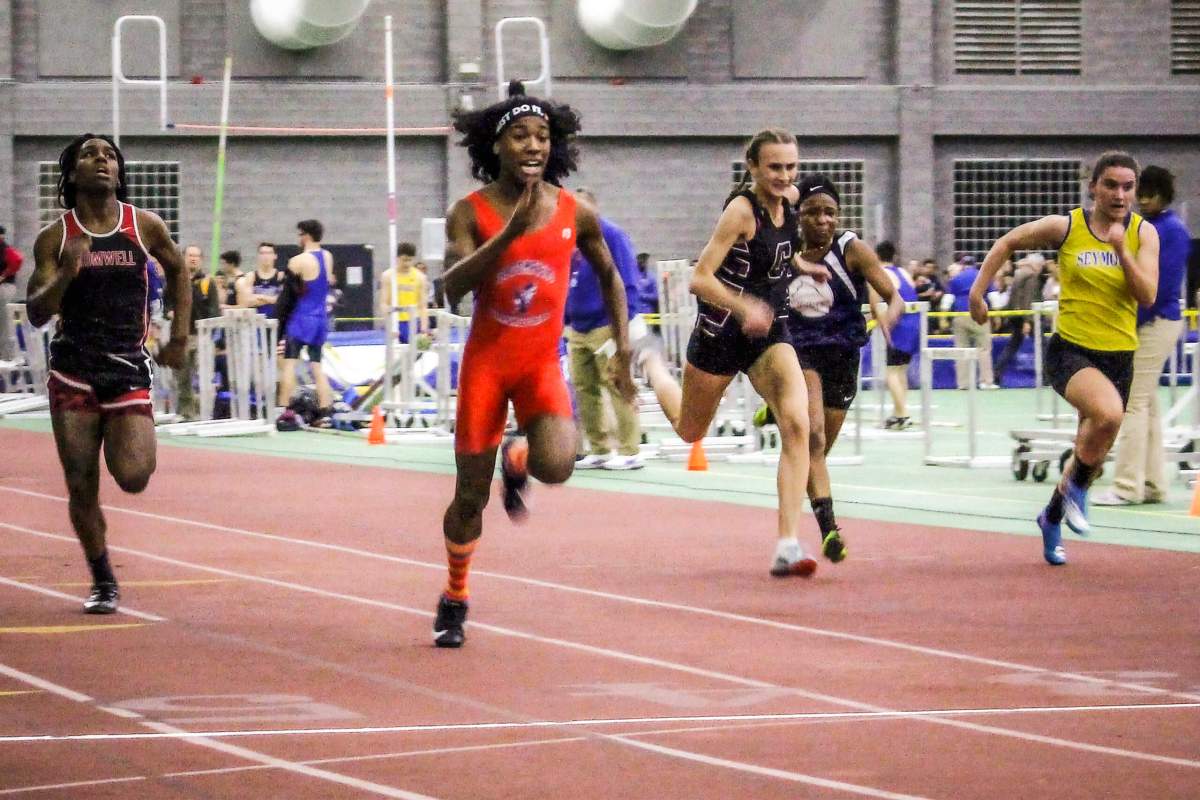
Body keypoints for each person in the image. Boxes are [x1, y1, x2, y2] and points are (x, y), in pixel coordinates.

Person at [433, 81, 636, 647]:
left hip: (540, 365)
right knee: (468, 497)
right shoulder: (468, 212)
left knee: (558, 467)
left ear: (556, 146)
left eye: (543, 137)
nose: (532, 146)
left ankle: (517, 454)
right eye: (520, 135)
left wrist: (621, 348)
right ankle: (455, 595)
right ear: (495, 146)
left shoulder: (576, 211)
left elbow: (611, 276)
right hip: (487, 368)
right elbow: (451, 288)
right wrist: (511, 234)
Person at [639, 128, 816, 577]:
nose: (783, 175)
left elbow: (777, 254)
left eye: (790, 167)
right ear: (753, 167)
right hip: (722, 333)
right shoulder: (740, 211)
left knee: (798, 424)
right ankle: (652, 364)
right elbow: (700, 278)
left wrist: (804, 266)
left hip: (769, 333)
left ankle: (788, 545)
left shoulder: (792, 202)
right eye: (774, 167)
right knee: (689, 430)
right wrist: (741, 306)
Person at [25, 133, 190, 613]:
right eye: (90, 154)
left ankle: (103, 567)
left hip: (127, 369)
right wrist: (65, 273)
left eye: (110, 155)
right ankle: (102, 578)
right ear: (72, 174)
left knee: (135, 475)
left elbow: (178, 270)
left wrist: (180, 336)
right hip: (74, 372)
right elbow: (37, 311)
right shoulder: (55, 237)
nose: (102, 160)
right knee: (80, 482)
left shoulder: (144, 225)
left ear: (119, 172)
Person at [970, 151, 1158, 565]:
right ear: (1094, 186)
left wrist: (1121, 251)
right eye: (1111, 185)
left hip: (1119, 355)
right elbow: (1007, 242)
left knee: (1091, 447)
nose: (1119, 194)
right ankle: (1075, 492)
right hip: (1072, 350)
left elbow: (1147, 295)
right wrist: (977, 291)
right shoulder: (1067, 226)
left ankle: (1051, 515)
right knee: (1107, 415)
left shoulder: (1144, 234)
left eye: (1128, 187)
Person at [784, 181, 901, 562]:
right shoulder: (785, 248)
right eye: (813, 212)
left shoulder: (851, 248)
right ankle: (830, 530)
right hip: (800, 352)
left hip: (843, 355)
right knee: (813, 436)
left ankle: (781, 414)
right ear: (798, 215)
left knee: (815, 452)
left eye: (830, 212)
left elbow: (893, 295)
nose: (823, 220)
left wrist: (888, 319)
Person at [1094, 165, 1190, 506]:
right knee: (1145, 405)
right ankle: (1152, 484)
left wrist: (1128, 322)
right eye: (1142, 192)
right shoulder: (1146, 226)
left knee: (1130, 404)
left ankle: (1125, 486)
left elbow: (1160, 287)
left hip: (1156, 320)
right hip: (1145, 321)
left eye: (1152, 193)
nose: (1145, 199)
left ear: (1164, 195)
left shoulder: (1171, 229)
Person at [566, 187, 645, 470]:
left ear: (592, 209)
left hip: (606, 325)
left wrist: (623, 328)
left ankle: (630, 449)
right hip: (577, 326)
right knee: (584, 388)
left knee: (617, 384)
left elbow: (627, 281)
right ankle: (599, 448)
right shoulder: (569, 238)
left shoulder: (611, 234)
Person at [277, 219, 335, 416]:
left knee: (289, 363)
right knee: (317, 366)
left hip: (301, 319)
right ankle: (325, 409)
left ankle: (284, 410)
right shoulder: (327, 257)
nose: (298, 239)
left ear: (306, 236)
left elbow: (287, 298)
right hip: (320, 319)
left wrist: (280, 326)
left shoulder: (297, 261)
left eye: (299, 235)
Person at [870, 241, 919, 429]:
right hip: (914, 323)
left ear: (876, 256)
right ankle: (899, 412)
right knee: (900, 370)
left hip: (900, 324)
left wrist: (881, 322)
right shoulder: (904, 272)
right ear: (894, 256)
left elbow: (875, 301)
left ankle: (903, 414)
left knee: (891, 371)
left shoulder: (881, 274)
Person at [169, 244, 219, 420]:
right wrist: (169, 312)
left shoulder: (207, 282)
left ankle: (205, 412)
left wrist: (214, 335)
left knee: (204, 374)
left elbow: (215, 310)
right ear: (184, 257)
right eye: (190, 255)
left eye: (197, 256)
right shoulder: (174, 279)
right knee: (182, 376)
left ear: (201, 260)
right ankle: (186, 412)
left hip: (202, 336)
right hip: (180, 336)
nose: (193, 258)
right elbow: (166, 303)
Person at [993, 253, 1044, 385]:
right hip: (1028, 317)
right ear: (1036, 265)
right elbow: (1028, 298)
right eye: (1041, 266)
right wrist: (1028, 321)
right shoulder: (1032, 277)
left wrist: (1005, 313)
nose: (1041, 269)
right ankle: (1046, 376)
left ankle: (997, 372)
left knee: (1013, 345)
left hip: (1016, 316)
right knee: (1043, 345)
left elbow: (1013, 298)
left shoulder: (1018, 276)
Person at [948, 255, 997, 389]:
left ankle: (963, 383)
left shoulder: (956, 278)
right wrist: (997, 316)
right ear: (975, 265)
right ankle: (986, 381)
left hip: (960, 315)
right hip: (979, 314)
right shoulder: (984, 276)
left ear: (962, 265)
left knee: (961, 349)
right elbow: (994, 298)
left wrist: (943, 318)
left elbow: (946, 301)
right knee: (984, 348)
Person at [377, 241, 428, 344]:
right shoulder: (388, 276)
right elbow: (383, 303)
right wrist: (389, 325)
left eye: (410, 260)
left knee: (418, 351)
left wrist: (424, 327)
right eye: (404, 260)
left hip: (414, 320)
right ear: (397, 258)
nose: (407, 264)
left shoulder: (420, 277)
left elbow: (423, 306)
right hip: (397, 321)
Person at [235, 241, 285, 318]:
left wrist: (258, 297)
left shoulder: (281, 276)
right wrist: (272, 299)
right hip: (256, 323)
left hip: (276, 321)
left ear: (275, 256)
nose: (266, 256)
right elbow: (246, 302)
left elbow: (282, 300)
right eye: (262, 253)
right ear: (258, 256)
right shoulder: (251, 276)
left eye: (269, 253)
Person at [0, 225, 25, 363]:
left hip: (4, 288)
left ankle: (6, 355)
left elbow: (17, 260)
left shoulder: (4, 248)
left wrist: (4, 275)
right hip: (5, 287)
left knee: (4, 322)